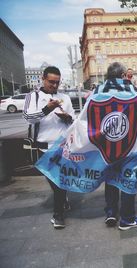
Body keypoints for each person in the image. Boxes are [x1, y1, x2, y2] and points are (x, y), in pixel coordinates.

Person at [95, 62, 137, 230]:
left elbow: (86, 118)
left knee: (110, 179)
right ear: (123, 75)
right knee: (128, 179)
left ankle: (111, 212)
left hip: (107, 147)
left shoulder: (97, 91)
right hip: (129, 145)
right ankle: (127, 219)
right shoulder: (132, 91)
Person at [23, 66, 75, 229]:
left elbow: (74, 120)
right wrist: (47, 109)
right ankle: (60, 209)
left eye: (57, 82)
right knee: (57, 182)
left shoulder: (64, 98)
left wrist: (67, 117)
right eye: (51, 82)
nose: (54, 85)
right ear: (43, 79)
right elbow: (28, 117)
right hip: (42, 149)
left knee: (59, 182)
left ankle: (59, 212)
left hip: (62, 147)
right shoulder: (33, 96)